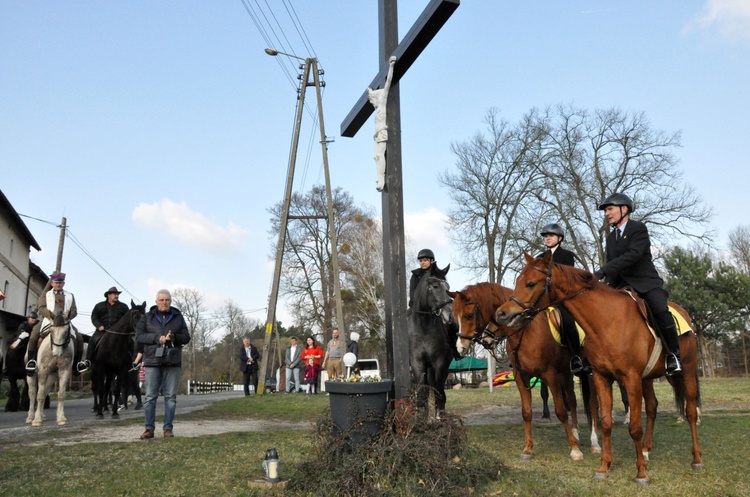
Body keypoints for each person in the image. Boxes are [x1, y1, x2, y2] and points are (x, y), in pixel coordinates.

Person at [594, 193, 682, 376]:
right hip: (620, 285)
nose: (607, 214)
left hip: (645, 282)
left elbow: (633, 256)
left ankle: (674, 355)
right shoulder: (610, 238)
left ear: (624, 209)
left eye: (609, 209)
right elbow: (613, 263)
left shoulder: (638, 229)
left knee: (659, 309)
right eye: (606, 211)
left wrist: (603, 270)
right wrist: (605, 285)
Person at [136, 289, 191, 439]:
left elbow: (186, 337)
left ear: (170, 301)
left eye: (167, 300)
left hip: (172, 362)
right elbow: (139, 336)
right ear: (156, 301)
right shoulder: (147, 317)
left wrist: (174, 338)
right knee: (150, 397)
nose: (164, 302)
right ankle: (149, 429)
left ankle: (168, 428)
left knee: (170, 397)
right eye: (161, 300)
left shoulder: (178, 317)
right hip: (152, 361)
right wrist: (157, 338)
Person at [537, 223, 583, 374]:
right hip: (542, 299)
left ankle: (576, 356)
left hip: (561, 299)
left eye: (550, 235)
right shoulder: (540, 258)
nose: (547, 238)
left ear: (560, 238)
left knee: (568, 321)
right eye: (545, 236)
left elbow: (567, 280)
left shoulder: (567, 255)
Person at [25, 272, 88, 375]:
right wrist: (52, 316)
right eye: (56, 282)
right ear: (52, 283)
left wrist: (67, 317)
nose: (58, 284)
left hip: (65, 322)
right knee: (33, 336)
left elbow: (74, 310)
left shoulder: (70, 296)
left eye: (60, 282)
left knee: (79, 338)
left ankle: (77, 364)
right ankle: (31, 361)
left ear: (63, 284)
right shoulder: (45, 295)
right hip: (49, 320)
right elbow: (41, 308)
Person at [367, 55, 397, 191]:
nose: (372, 103)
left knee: (380, 155)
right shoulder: (377, 109)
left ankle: (382, 178)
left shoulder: (383, 103)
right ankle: (379, 178)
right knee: (375, 156)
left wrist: (391, 66)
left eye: (372, 100)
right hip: (377, 134)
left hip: (382, 132)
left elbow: (388, 82)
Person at [87, 286, 130, 365]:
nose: (117, 296)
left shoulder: (123, 307)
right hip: (102, 331)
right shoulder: (99, 306)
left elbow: (127, 320)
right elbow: (94, 317)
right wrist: (99, 326)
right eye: (114, 294)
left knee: (131, 342)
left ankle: (132, 363)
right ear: (108, 295)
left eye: (117, 294)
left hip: (119, 333)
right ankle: (88, 361)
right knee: (92, 340)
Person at [5, 311, 38, 375]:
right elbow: (20, 334)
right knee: (10, 352)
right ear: (28, 318)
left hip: (32, 345)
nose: (34, 319)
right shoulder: (23, 325)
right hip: (22, 345)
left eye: (35, 318)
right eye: (32, 318)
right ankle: (7, 367)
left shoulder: (37, 326)